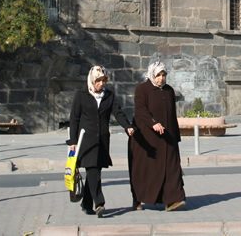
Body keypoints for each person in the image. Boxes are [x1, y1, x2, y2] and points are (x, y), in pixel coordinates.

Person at [68, 66, 134, 218]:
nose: (101, 83)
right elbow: (74, 118)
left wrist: (127, 127)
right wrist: (73, 140)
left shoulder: (109, 96)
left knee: (95, 171)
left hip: (102, 139)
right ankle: (99, 203)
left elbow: (118, 112)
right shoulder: (81, 95)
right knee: (93, 170)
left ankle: (86, 204)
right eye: (98, 80)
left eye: (104, 80)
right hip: (86, 140)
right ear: (92, 80)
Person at [128, 61, 187, 212]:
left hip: (167, 138)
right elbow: (140, 110)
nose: (161, 78)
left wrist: (175, 137)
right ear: (152, 75)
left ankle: (173, 200)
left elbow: (173, 115)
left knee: (171, 168)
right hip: (147, 139)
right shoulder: (142, 89)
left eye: (163, 75)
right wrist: (153, 123)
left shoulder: (168, 91)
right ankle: (138, 199)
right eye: (158, 75)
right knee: (145, 171)